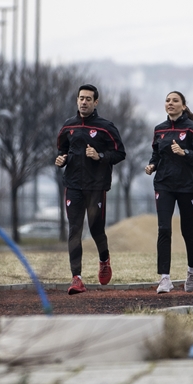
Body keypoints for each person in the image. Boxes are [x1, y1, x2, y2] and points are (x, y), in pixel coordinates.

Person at [56, 84, 126, 295]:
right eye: (81, 98)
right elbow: (63, 149)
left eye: (88, 99)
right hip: (73, 186)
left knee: (96, 230)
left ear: (96, 102)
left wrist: (100, 156)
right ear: (77, 101)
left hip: (96, 187)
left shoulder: (106, 127)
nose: (84, 102)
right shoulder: (68, 126)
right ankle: (76, 278)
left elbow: (120, 153)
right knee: (75, 230)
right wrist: (61, 159)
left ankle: (104, 260)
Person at [144, 91, 193, 294]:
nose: (170, 103)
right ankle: (165, 278)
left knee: (187, 230)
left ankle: (192, 272)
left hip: (187, 186)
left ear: (183, 105)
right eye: (167, 100)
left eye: (175, 101)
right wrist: (152, 165)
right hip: (163, 184)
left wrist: (185, 152)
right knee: (164, 229)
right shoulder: (159, 129)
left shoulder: (192, 129)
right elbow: (156, 154)